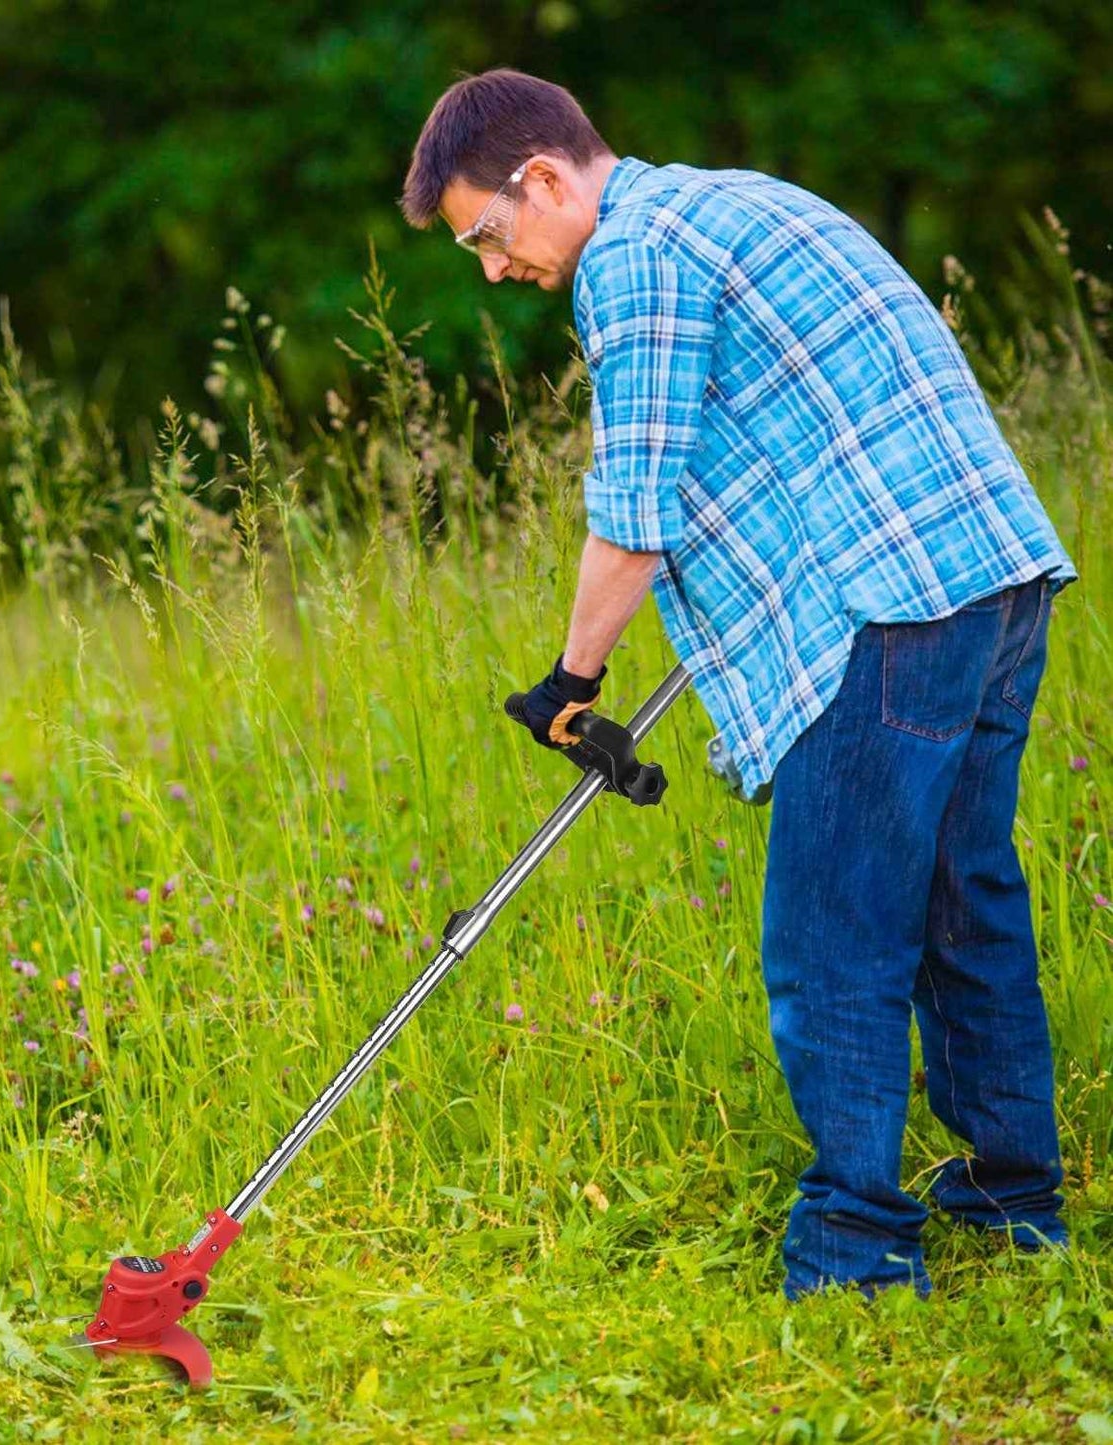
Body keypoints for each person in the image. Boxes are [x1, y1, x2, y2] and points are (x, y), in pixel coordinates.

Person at [401, 69, 1076, 1299]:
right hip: (989, 573)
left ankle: (856, 1251)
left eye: (487, 238)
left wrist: (569, 676)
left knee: (832, 938)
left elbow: (634, 506)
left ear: (541, 180)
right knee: (960, 899)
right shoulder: (731, 202)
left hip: (892, 604)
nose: (492, 270)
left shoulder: (633, 257)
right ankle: (1010, 1201)